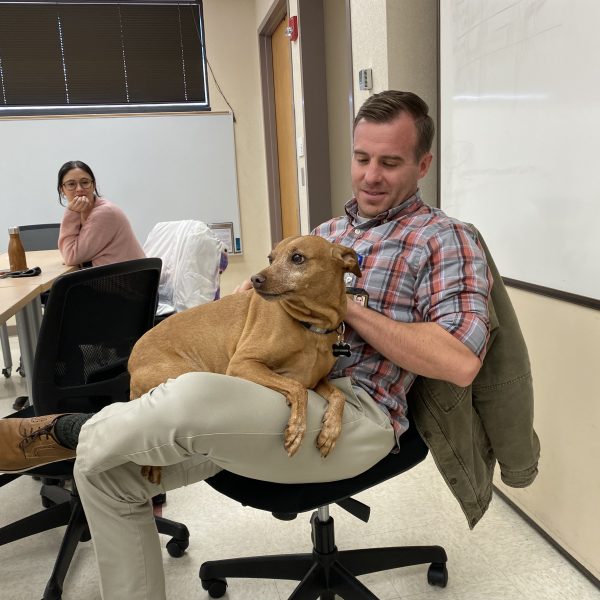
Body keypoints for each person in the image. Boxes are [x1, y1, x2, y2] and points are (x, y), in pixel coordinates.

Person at [0, 91, 492, 600]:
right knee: (105, 473)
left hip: (358, 411)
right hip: (280, 392)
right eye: (362, 158)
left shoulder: (444, 239)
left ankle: (63, 430)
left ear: (423, 164)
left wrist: (345, 306)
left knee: (191, 396)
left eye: (390, 162)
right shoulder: (326, 232)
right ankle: (87, 446)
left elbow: (459, 362)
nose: (370, 175)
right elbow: (250, 308)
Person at [57, 160, 145, 267]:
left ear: (93, 185)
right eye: (71, 184)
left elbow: (70, 256)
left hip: (124, 281)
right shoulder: (83, 214)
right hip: (110, 278)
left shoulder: (104, 213)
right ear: (62, 190)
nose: (79, 189)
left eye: (85, 182)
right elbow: (73, 255)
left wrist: (71, 212)